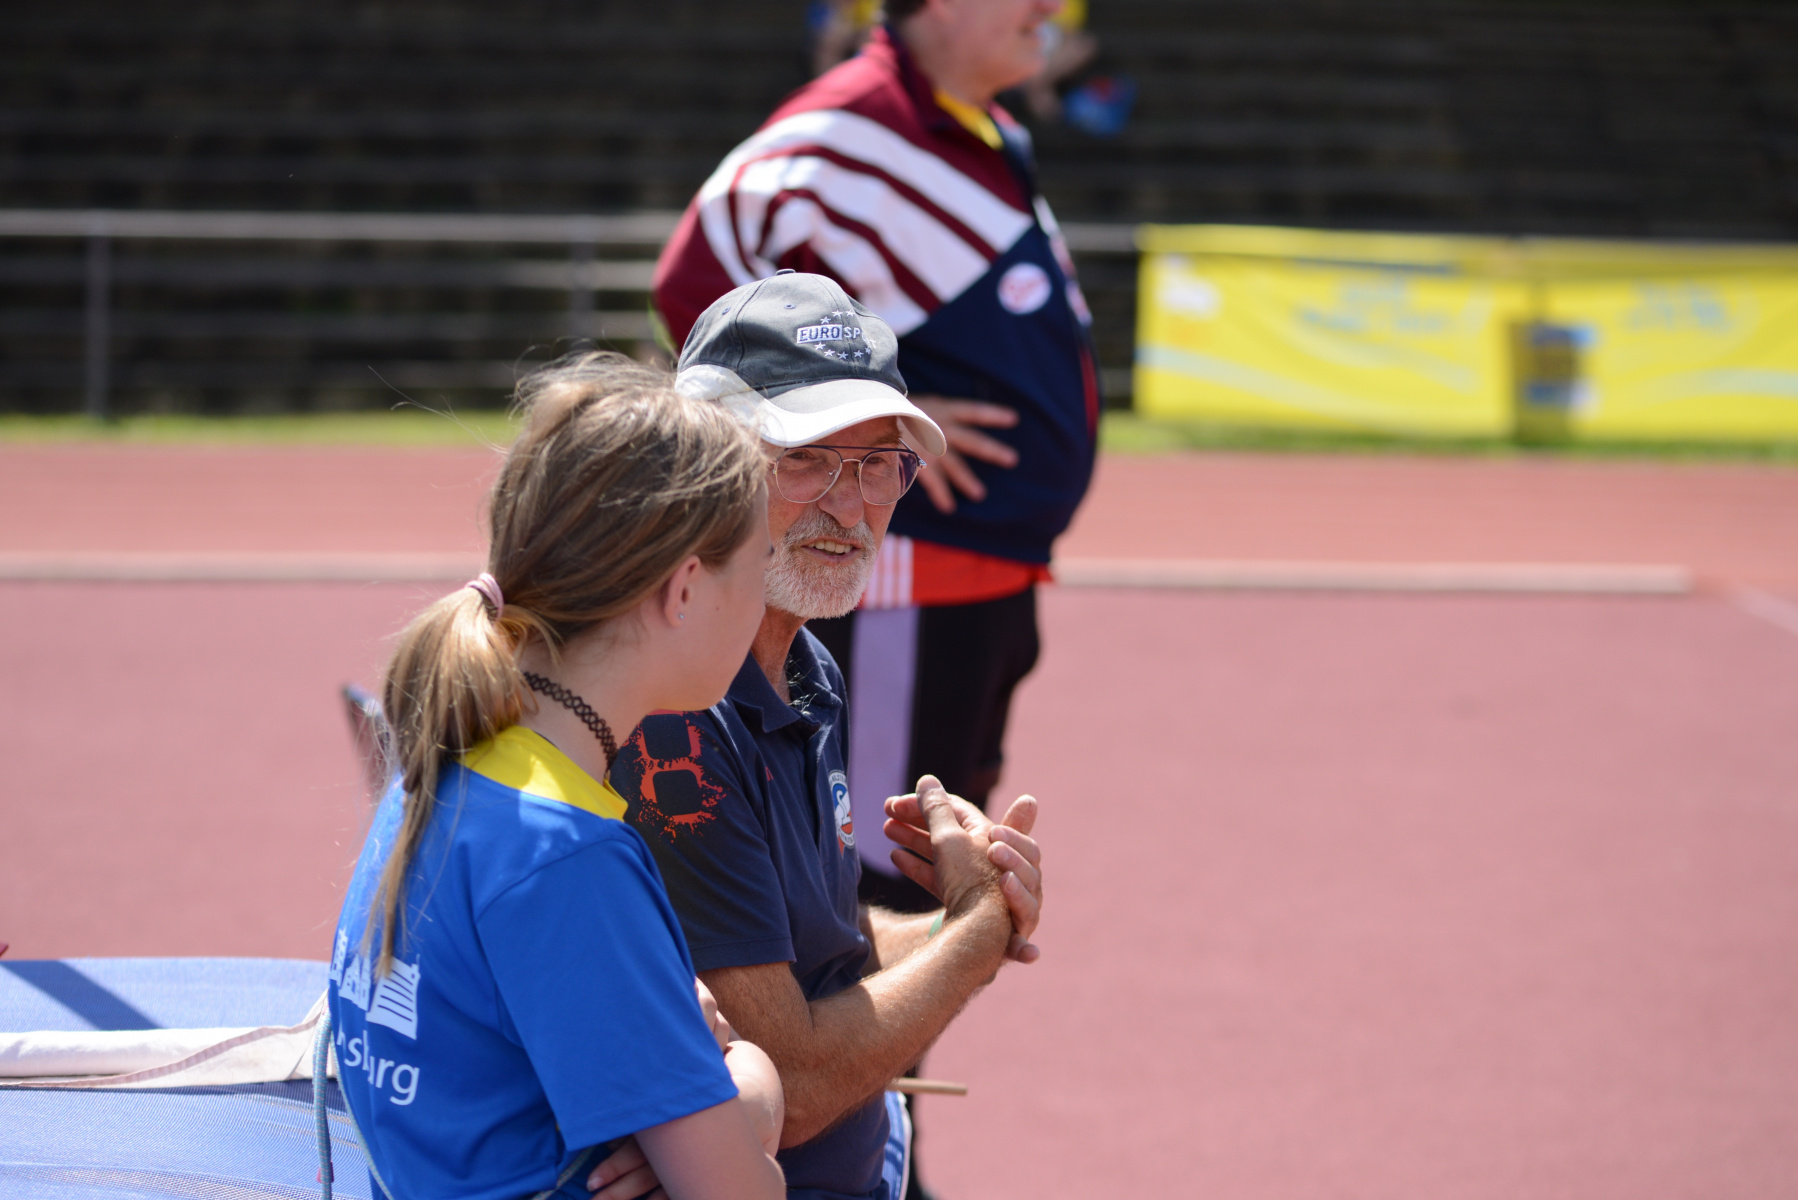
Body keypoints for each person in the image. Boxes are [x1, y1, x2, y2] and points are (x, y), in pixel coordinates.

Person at [652, 0, 1099, 920]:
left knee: (940, 862)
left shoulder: (982, 129)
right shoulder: (855, 124)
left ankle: (893, 1013)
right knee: (878, 876)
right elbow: (696, 271)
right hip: (905, 569)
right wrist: (884, 414)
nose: (1049, 9)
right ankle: (855, 1022)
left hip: (983, 570)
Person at [609, 272, 1045, 1200]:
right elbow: (793, 1079)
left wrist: (969, 909)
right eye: (806, 459)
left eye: (880, 464)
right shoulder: (672, 717)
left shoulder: (806, 666)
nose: (852, 508)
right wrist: (975, 938)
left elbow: (816, 950)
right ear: (705, 464)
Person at [327, 353, 788, 1200]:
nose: (764, 602)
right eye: (761, 565)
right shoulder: (569, 857)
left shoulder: (441, 767)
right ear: (685, 589)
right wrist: (752, 1084)